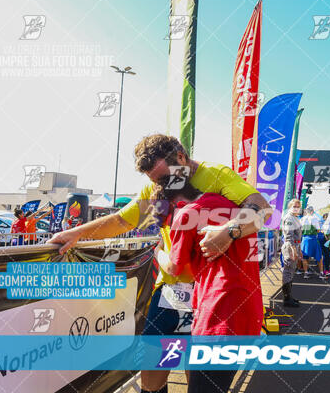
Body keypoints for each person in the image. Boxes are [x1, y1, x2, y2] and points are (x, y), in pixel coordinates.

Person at [48, 134, 271, 393]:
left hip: (207, 296)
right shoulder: (155, 188)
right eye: (154, 180)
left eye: (164, 178)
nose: (161, 185)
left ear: (181, 157)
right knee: (153, 371)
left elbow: (262, 210)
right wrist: (76, 234)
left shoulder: (216, 175)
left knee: (196, 377)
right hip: (169, 292)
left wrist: (228, 232)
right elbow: (122, 221)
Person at [160, 177, 262, 393]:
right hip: (248, 315)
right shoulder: (237, 207)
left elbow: (173, 268)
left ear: (172, 204)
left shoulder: (186, 213)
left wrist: (158, 252)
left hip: (218, 318)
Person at [280, 199, 302, 307]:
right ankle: (287, 299)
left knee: (291, 271)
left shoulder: (295, 218)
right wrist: (294, 249)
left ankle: (289, 296)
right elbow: (289, 236)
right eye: (294, 206)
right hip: (290, 246)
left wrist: (299, 249)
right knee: (288, 271)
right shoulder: (289, 218)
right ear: (290, 207)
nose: (296, 208)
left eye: (298, 206)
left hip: (295, 245)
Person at [301, 206, 325, 279]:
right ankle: (321, 273)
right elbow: (318, 230)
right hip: (313, 239)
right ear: (312, 211)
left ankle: (306, 273)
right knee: (319, 256)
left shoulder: (302, 219)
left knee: (305, 256)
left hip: (305, 239)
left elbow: (300, 230)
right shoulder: (315, 218)